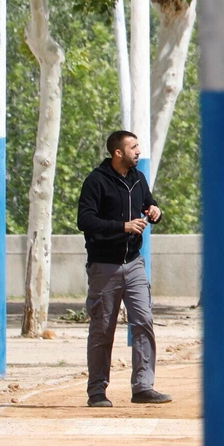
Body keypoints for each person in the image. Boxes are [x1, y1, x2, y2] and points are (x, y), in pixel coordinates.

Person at [77, 130, 171, 407]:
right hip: (104, 268)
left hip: (134, 264)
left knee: (143, 321)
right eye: (133, 147)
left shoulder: (138, 179)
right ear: (118, 152)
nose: (138, 151)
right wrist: (123, 226)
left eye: (138, 146)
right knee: (102, 330)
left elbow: (149, 203)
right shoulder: (96, 181)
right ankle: (97, 392)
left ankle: (143, 387)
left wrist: (155, 211)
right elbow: (85, 220)